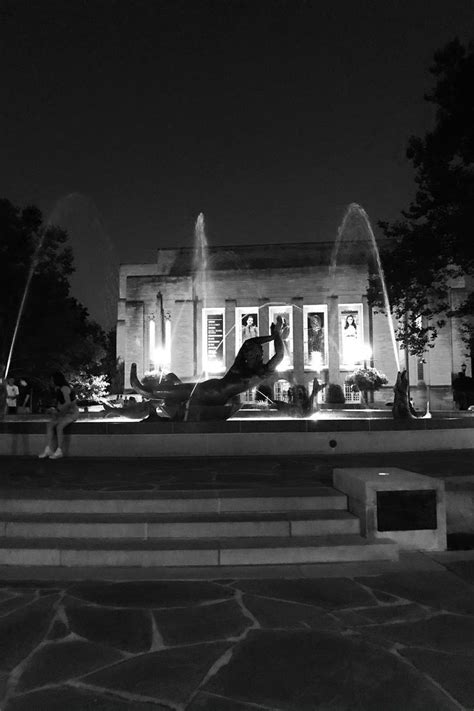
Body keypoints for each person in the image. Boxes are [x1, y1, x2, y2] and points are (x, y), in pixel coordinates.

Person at [38, 371, 79, 459]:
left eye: (52, 380)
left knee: (59, 426)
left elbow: (68, 403)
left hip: (71, 412)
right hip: (64, 412)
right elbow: (61, 403)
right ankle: (49, 449)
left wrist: (57, 410)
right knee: (50, 425)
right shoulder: (58, 389)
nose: (51, 382)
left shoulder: (64, 388)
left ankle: (60, 450)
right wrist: (54, 410)